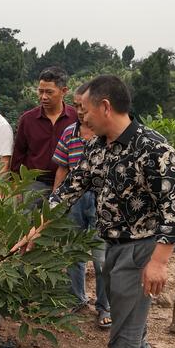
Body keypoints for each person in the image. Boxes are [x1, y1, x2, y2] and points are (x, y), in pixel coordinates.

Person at [44, 75, 175, 348]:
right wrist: (36, 226)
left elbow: (174, 209)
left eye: (85, 109)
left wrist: (159, 262)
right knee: (130, 306)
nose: (82, 116)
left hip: (141, 246)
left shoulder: (154, 150)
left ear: (105, 107)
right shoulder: (97, 147)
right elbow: (71, 187)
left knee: (125, 312)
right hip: (112, 241)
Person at [52, 84, 110, 327]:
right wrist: (55, 200)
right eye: (76, 106)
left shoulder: (106, 135)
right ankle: (76, 298)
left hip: (100, 200)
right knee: (72, 252)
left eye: (82, 106)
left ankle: (104, 307)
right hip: (73, 198)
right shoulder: (69, 133)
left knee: (101, 258)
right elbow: (63, 167)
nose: (79, 111)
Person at [11, 67, 77, 194]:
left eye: (49, 92)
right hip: (33, 184)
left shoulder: (75, 118)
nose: (43, 97)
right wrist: (15, 185)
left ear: (64, 91)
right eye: (40, 91)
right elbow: (18, 153)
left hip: (67, 183)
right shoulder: (28, 119)